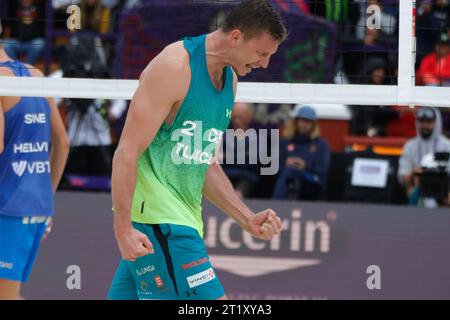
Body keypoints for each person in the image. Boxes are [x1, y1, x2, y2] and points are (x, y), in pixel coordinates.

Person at [109, 0, 287, 300]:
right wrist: (122, 228)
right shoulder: (174, 66)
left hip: (181, 220)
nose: (265, 64)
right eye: (262, 53)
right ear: (236, 37)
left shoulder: (229, 80)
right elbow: (126, 152)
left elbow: (202, 163)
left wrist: (246, 218)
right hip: (159, 223)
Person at [0, 19, 69, 299]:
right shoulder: (35, 74)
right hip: (38, 206)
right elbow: (63, 143)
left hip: (9, 207)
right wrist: (47, 199)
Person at [272, 105, 330, 200]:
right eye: (302, 120)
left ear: (313, 124)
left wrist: (305, 166)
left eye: (308, 121)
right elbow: (275, 164)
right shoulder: (285, 141)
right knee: (288, 172)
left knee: (291, 171)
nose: (304, 124)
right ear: (296, 121)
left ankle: (275, 206)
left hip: (311, 180)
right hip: (287, 177)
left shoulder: (321, 144)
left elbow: (322, 169)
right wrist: (286, 163)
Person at [398, 107, 450, 202]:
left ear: (436, 123)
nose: (425, 125)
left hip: (443, 194)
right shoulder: (410, 145)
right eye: (422, 122)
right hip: (417, 192)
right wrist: (415, 173)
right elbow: (403, 176)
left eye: (429, 122)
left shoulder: (447, 145)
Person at [221, 102, 262, 198]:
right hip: (225, 175)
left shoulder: (257, 138)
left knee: (239, 192)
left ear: (248, 117)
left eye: (240, 117)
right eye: (234, 117)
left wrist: (225, 156)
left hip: (246, 177)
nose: (236, 120)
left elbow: (252, 159)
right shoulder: (222, 135)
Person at [2, 0, 46, 65]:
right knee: (4, 44)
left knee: (40, 43)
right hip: (17, 42)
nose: (26, 0)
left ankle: (27, 67)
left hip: (33, 42)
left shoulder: (40, 8)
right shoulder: (14, 6)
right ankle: (16, 66)